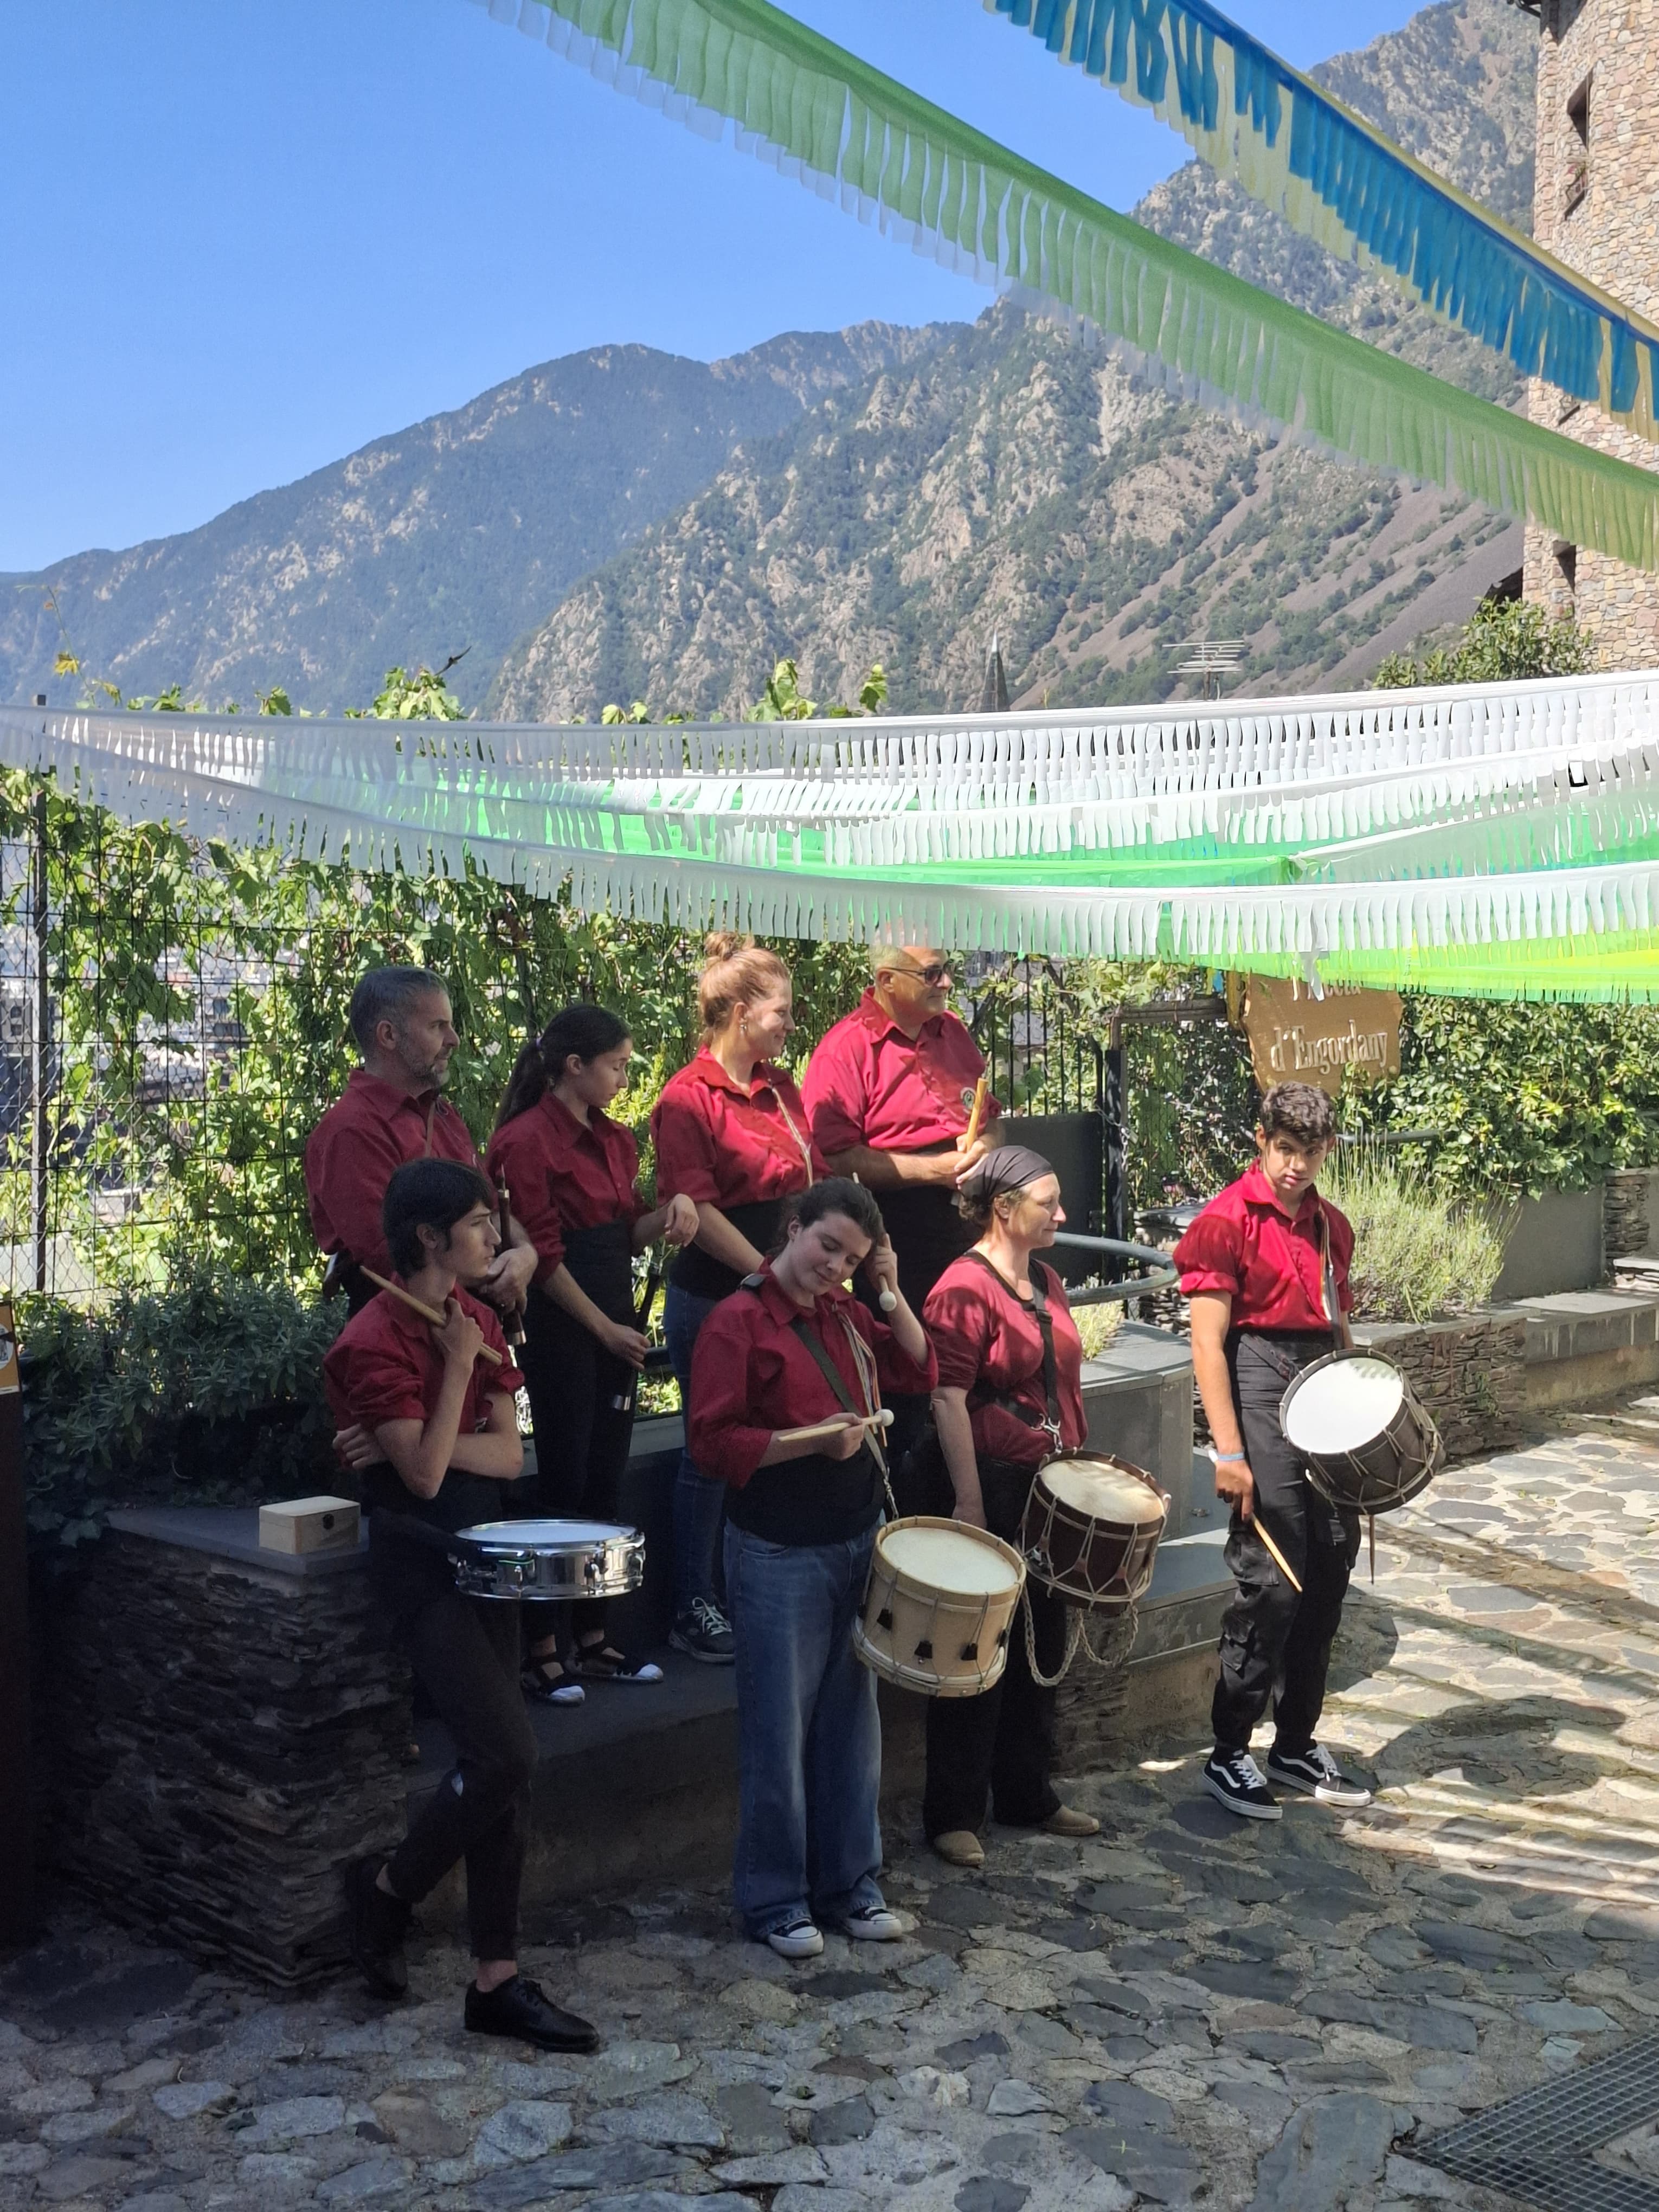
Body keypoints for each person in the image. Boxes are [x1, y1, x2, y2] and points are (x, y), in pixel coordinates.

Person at [327, 1157, 597, 2052]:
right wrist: (452, 1378)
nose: (496, 1238)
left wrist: (446, 1420)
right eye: (482, 1224)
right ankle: (390, 1892)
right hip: (419, 1565)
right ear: (430, 1240)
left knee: (505, 1770)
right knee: (506, 1752)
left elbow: (506, 1458)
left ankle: (496, 1978)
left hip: (485, 1554)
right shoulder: (370, 1341)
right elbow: (427, 1473)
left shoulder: (480, 1318)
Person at [689, 1179, 935, 1959]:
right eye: (828, 1247)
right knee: (777, 1734)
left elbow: (920, 1371)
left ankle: (852, 1886)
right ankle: (774, 1901)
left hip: (854, 1540)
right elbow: (712, 1444)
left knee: (850, 1728)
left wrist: (889, 1291)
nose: (836, 1266)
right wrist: (811, 1440)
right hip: (776, 1553)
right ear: (791, 1230)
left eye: (852, 1258)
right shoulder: (737, 1322)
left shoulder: (847, 1314)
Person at [486, 1005, 699, 1703]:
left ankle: (594, 1637)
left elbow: (625, 1231)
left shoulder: (616, 1140)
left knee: (605, 1475)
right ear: (574, 1067)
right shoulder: (525, 1140)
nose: (622, 1078)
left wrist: (670, 1216)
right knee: (565, 1477)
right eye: (616, 1066)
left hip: (609, 1307)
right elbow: (543, 1256)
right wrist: (605, 1330)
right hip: (562, 1319)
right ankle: (542, 1645)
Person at [1172, 1081, 1373, 1821]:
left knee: (1328, 1566)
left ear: (1327, 1151)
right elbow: (1206, 1343)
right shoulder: (1226, 1222)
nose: (1296, 1166)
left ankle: (1293, 1743)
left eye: (1310, 1153)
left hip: (1322, 1380)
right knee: (1274, 1577)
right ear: (1262, 1141)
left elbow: (1340, 1324)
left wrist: (1363, 1416)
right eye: (1285, 1150)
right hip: (1257, 1379)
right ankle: (1229, 1751)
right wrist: (1229, 1450)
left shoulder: (1331, 1227)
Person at [917, 1147, 1103, 1868]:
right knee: (977, 1649)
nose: (1062, 1214)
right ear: (1004, 1210)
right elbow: (946, 1398)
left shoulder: (1046, 1278)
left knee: (1039, 1643)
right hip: (989, 1481)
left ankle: (1028, 1791)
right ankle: (952, 1812)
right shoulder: (962, 1288)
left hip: (1048, 1485)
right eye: (1048, 1202)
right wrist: (968, 1500)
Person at [650, 934, 826, 1665]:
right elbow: (694, 1203)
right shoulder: (688, 1099)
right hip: (722, 1292)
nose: (789, 1024)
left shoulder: (782, 1090)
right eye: (780, 1011)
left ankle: (760, 1584)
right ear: (740, 1011)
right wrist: (767, 1273)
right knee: (712, 1448)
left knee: (782, 1433)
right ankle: (694, 1599)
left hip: (787, 1283)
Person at [306, 966, 537, 1316]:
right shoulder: (349, 1131)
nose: (454, 1040)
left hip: (472, 1324)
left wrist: (524, 1254)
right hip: (408, 1333)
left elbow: (487, 1206)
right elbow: (395, 1261)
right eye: (437, 1027)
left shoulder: (442, 1113)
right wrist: (490, 1278)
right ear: (388, 1035)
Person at [800, 943, 1001, 1313]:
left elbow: (994, 1121)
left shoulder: (953, 1031)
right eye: (931, 973)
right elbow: (832, 1159)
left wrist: (985, 1147)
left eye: (947, 969)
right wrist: (934, 1171)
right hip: (897, 1238)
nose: (947, 982)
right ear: (886, 981)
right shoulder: (845, 1050)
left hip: (975, 1226)